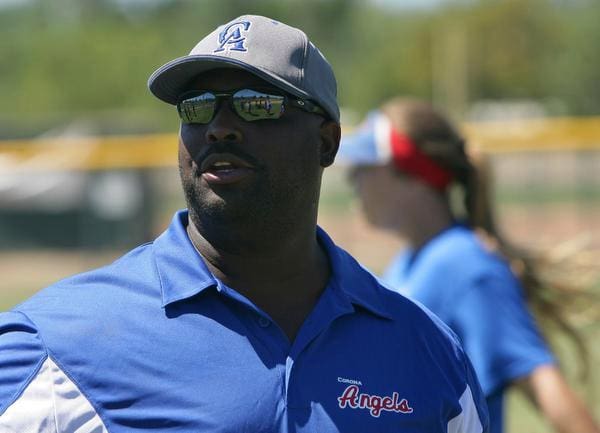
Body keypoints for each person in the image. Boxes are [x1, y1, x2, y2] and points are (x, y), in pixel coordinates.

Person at [0, 16, 489, 433]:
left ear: (326, 141)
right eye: (198, 106)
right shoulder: (57, 344)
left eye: (257, 103)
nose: (219, 126)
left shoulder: (425, 350)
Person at [336, 97, 600, 433]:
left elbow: (554, 397)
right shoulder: (411, 261)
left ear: (413, 175)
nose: (353, 180)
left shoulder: (469, 267)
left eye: (366, 166)